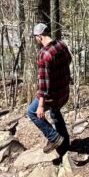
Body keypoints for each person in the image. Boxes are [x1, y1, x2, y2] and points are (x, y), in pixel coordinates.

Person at [28, 23, 71, 154]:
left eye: (35, 37)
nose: (35, 39)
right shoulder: (61, 45)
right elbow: (69, 60)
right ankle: (65, 145)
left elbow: (43, 85)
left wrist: (41, 106)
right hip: (64, 92)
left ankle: (54, 137)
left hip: (53, 96)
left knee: (32, 112)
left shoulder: (44, 54)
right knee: (55, 113)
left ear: (40, 36)